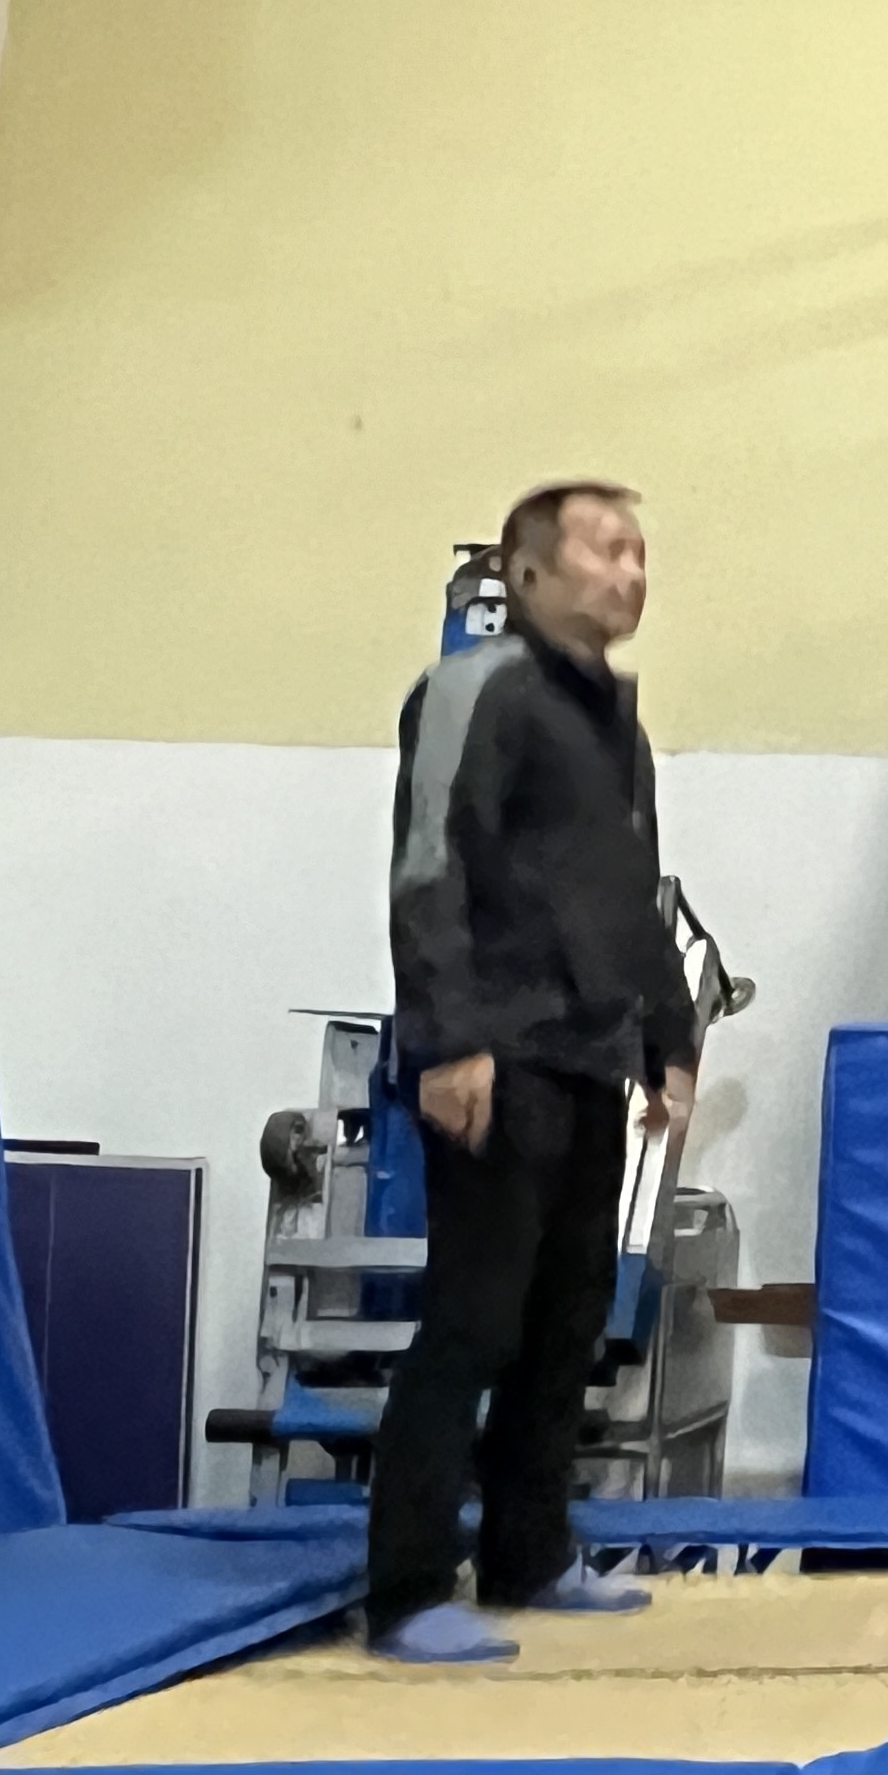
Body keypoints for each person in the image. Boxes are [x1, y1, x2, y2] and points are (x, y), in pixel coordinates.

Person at [365, 480, 699, 1662]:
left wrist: (669, 1043)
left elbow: (632, 895)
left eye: (641, 554)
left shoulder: (619, 728)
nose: (631, 573)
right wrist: (446, 1039)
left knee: (568, 1323)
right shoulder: (474, 689)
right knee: (474, 1320)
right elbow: (428, 865)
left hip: (589, 1058)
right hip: (494, 1055)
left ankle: (529, 1552)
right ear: (528, 571)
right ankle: (407, 1588)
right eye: (606, 550)